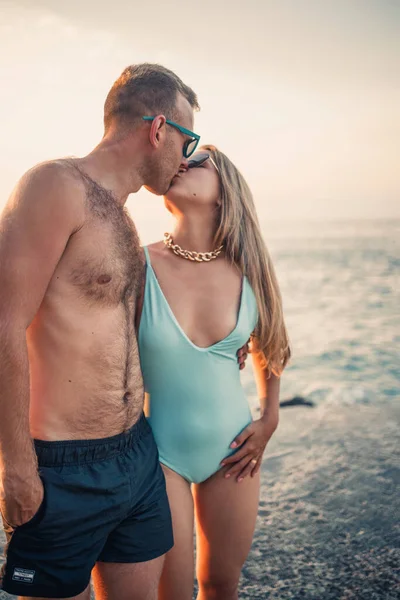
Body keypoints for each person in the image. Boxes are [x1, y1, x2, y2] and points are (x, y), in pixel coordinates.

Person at [0, 63, 203, 600]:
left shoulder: (123, 214)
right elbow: (4, 324)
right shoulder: (55, 186)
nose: (187, 157)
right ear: (158, 129)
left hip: (135, 451)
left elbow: (117, 335)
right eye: (189, 140)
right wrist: (16, 466)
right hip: (63, 465)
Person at [137, 146, 291, 600]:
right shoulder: (137, 264)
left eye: (199, 160)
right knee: (174, 591)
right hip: (159, 453)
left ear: (226, 192)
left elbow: (273, 347)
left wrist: (270, 419)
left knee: (222, 585)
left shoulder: (251, 271)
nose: (181, 161)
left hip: (234, 449)